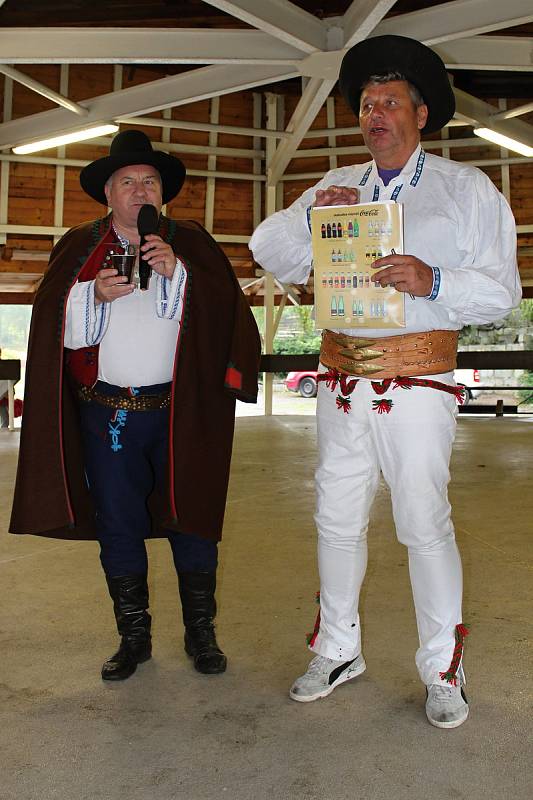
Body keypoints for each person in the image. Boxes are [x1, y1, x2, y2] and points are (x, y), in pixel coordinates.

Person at [250, 35, 521, 728]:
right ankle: (337, 649)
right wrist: (315, 218)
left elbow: (500, 290)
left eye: (389, 102)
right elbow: (265, 246)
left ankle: (440, 667)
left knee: (421, 522)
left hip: (419, 382)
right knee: (335, 518)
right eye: (367, 103)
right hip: (341, 380)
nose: (375, 113)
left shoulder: (465, 190)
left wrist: (435, 279)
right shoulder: (336, 186)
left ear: (420, 114)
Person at [10, 129, 261, 682]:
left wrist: (181, 277)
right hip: (108, 417)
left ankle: (202, 634)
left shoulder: (190, 242)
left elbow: (230, 316)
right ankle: (133, 637)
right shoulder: (79, 245)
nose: (140, 190)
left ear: (161, 193)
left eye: (149, 181)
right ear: (108, 193)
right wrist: (90, 295)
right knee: (118, 526)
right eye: (128, 182)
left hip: (182, 413)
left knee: (193, 520)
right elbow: (53, 324)